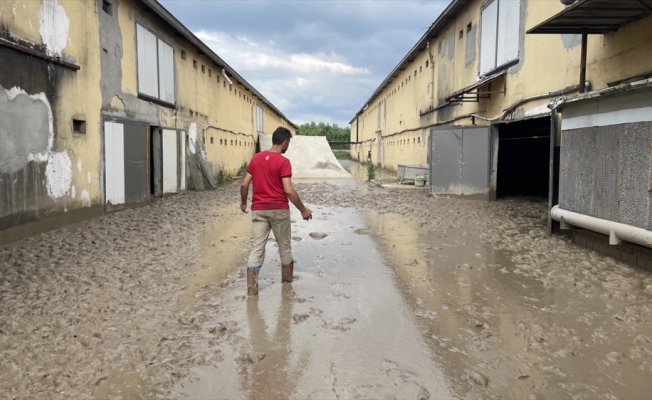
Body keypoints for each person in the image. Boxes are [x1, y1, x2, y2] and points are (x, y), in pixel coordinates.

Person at [240, 127, 313, 296]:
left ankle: (252, 289)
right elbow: (288, 190)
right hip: (279, 209)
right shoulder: (283, 162)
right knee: (284, 247)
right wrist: (303, 210)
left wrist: (244, 202)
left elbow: (244, 184)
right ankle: (287, 286)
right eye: (289, 143)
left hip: (259, 210)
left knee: (257, 248)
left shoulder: (255, 159)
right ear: (285, 142)